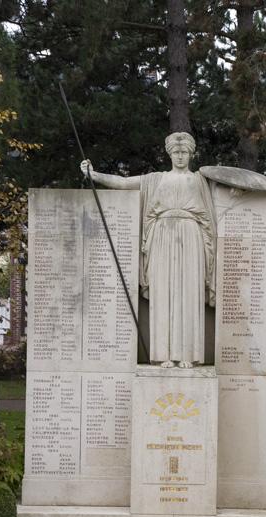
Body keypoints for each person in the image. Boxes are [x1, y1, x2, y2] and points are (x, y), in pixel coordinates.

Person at [80, 132, 216, 368]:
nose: (180, 156)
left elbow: (226, 195)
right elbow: (123, 183)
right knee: (163, 295)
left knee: (189, 295)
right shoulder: (155, 179)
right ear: (169, 153)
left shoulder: (199, 181)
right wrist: (94, 174)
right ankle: (163, 354)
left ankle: (189, 355)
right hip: (161, 236)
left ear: (191, 154)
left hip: (192, 236)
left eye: (184, 152)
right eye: (176, 152)